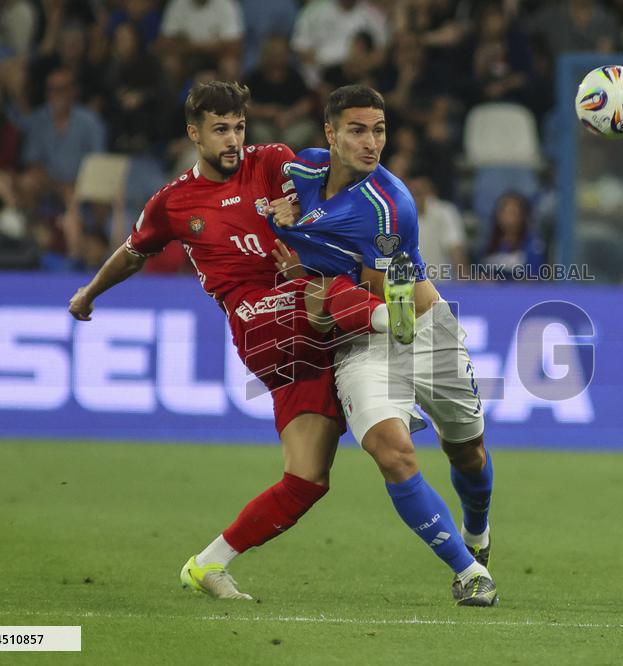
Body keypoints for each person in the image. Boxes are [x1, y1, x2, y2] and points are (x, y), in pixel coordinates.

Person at [67, 81, 349, 601]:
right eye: (220, 130)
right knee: (351, 300)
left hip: (305, 317)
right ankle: (405, 368)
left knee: (308, 479)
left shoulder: (272, 162)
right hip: (261, 324)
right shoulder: (174, 202)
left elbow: (327, 198)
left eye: (239, 127)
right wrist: (89, 292)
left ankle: (208, 563)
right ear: (194, 134)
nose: (233, 139)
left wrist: (305, 217)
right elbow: (133, 252)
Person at [268, 85, 498, 606]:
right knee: (393, 453)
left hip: (421, 328)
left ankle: (478, 532)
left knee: (468, 453)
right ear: (330, 134)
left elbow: (383, 304)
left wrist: (304, 256)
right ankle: (469, 573)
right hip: (361, 342)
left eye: (379, 130)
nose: (371, 142)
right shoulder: (301, 171)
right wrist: (286, 225)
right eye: (357, 130)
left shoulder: (391, 207)